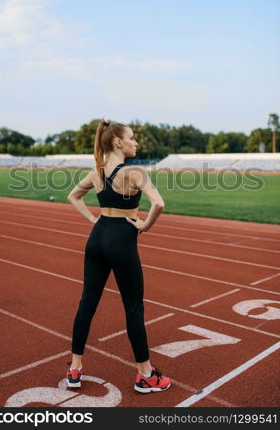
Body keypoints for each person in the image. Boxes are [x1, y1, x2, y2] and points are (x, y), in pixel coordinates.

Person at [65, 119, 171, 393]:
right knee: (134, 308)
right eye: (133, 138)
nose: (136, 142)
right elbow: (159, 203)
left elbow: (73, 196)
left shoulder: (96, 172)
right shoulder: (135, 172)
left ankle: (75, 369)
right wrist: (145, 225)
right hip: (121, 241)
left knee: (87, 303)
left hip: (97, 238)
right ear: (118, 142)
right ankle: (146, 375)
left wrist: (93, 220)